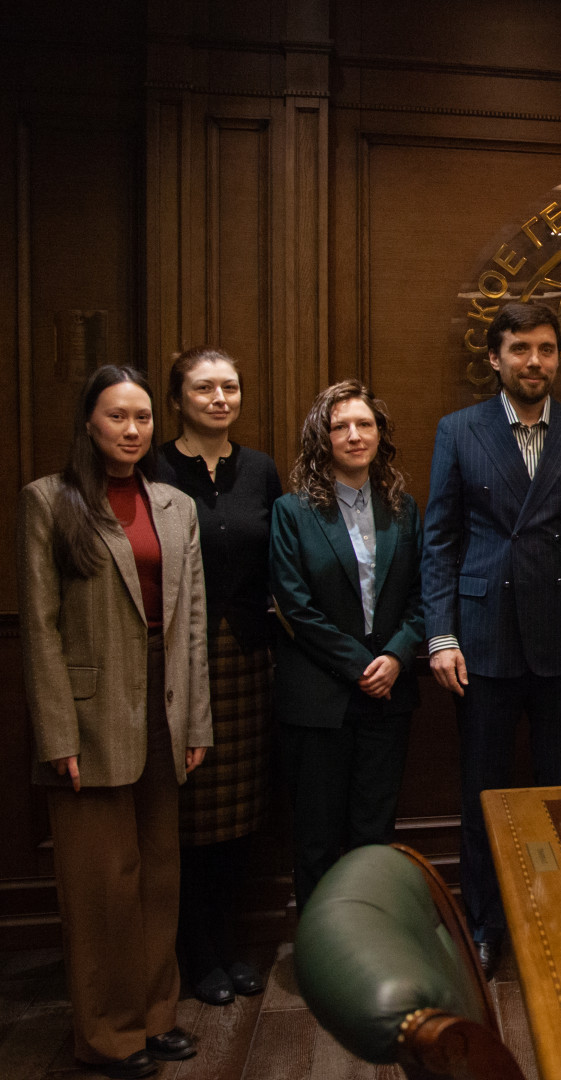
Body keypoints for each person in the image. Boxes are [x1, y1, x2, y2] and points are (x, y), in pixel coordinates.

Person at [422, 301, 561, 976]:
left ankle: (556, 922)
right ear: (495, 359)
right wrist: (441, 633)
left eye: (545, 349)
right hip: (480, 642)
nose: (534, 361)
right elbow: (440, 540)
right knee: (484, 796)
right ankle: (482, 925)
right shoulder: (459, 430)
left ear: (558, 357)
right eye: (520, 349)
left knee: (559, 795)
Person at [19, 365, 210, 1079]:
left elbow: (191, 622)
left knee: (159, 875)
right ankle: (105, 1033)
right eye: (116, 417)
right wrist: (57, 735)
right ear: (89, 424)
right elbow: (39, 632)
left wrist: (196, 722)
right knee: (104, 885)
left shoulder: (173, 505)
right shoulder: (49, 502)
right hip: (92, 720)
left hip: (166, 711)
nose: (132, 430)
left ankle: (156, 1015)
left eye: (142, 418)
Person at [152, 347, 281, 1006]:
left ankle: (226, 946)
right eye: (204, 388)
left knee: (239, 816)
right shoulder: (154, 466)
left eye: (230, 386)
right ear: (179, 399)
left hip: (247, 656)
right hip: (179, 659)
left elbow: (280, 560)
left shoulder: (259, 470)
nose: (220, 398)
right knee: (190, 816)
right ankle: (194, 951)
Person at [269, 380, 424, 910]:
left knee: (373, 834)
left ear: (380, 434)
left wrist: (398, 655)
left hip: (389, 696)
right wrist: (362, 666)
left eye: (365, 424)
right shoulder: (292, 513)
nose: (354, 435)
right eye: (340, 426)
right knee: (316, 836)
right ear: (322, 438)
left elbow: (423, 597)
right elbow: (296, 607)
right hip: (320, 700)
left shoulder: (404, 510)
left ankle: (370, 938)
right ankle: (320, 950)